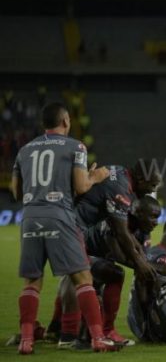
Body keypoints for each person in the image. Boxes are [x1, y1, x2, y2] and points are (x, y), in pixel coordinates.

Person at [10, 102, 119, 354]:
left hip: (29, 218)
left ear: (43, 125)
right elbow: (81, 187)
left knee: (32, 283)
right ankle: (97, 338)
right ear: (67, 121)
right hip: (59, 216)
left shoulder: (24, 150)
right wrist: (96, 176)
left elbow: (15, 191)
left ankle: (26, 341)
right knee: (83, 278)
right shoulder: (76, 146)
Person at [49, 161, 162, 347]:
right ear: (141, 179)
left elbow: (122, 229)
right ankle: (86, 335)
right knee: (109, 275)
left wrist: (140, 255)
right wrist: (140, 263)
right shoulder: (121, 189)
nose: (152, 191)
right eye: (152, 185)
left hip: (63, 226)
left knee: (76, 277)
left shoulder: (118, 172)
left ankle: (56, 329)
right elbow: (121, 232)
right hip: (71, 231)